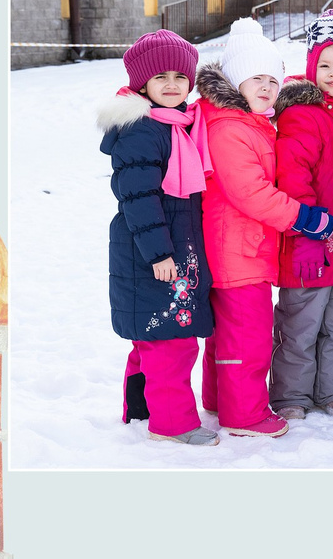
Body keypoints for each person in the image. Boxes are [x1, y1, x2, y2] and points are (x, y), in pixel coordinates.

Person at [195, 18, 333, 440]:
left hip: (238, 248)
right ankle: (245, 416)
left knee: (228, 336)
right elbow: (250, 193)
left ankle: (221, 401)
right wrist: (304, 218)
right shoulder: (229, 129)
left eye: (273, 81)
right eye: (256, 79)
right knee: (249, 338)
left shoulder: (250, 122)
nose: (267, 88)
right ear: (235, 81)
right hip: (237, 251)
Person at [99, 30, 216, 445]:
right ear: (142, 84)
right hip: (150, 253)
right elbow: (139, 199)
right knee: (171, 342)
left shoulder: (177, 124)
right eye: (160, 76)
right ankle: (174, 424)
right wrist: (160, 255)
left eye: (180, 77)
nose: (171, 84)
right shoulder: (142, 130)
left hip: (169, 247)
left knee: (151, 334)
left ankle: (140, 405)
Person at [270, 14, 333, 422]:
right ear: (312, 66)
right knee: (300, 327)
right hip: (309, 245)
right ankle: (291, 395)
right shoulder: (301, 114)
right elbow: (293, 175)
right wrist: (306, 232)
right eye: (325, 64)